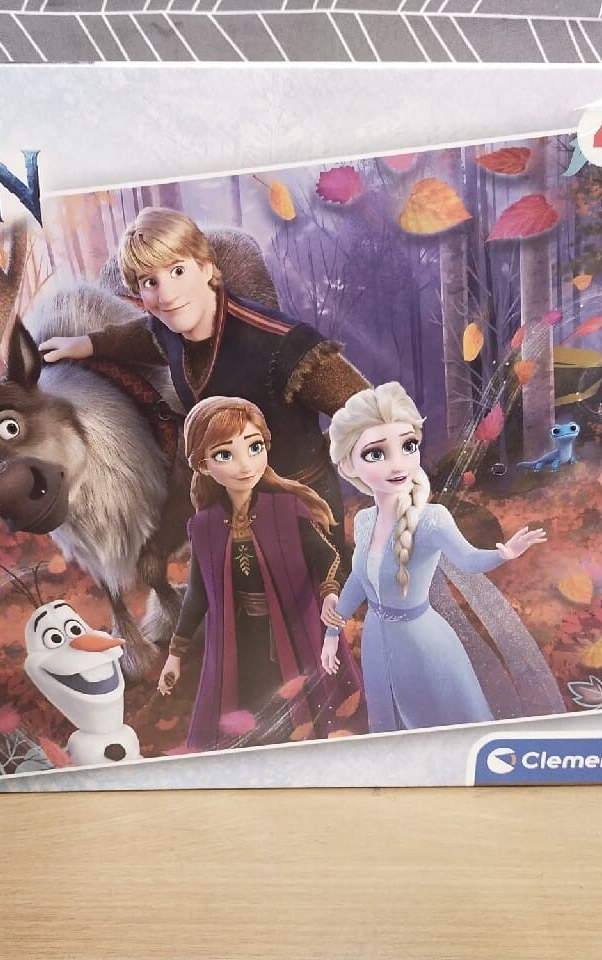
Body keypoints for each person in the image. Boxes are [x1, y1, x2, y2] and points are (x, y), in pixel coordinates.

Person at [38, 207, 368, 546]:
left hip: (300, 506)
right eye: (150, 282)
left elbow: (368, 410)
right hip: (235, 505)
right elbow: (145, 337)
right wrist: (87, 344)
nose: (166, 295)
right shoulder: (169, 330)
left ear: (207, 267)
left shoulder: (280, 345)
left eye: (178, 271)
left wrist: (326, 462)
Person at [322, 382, 546, 734]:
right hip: (377, 639)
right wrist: (333, 633)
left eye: (408, 446)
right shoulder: (364, 521)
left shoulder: (432, 519)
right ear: (348, 465)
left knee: (441, 720)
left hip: (422, 641)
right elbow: (359, 580)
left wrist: (502, 554)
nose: (398, 464)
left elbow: (467, 560)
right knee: (389, 721)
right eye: (376, 454)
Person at [159, 396, 364, 750]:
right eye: (225, 455)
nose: (245, 465)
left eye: (254, 448)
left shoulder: (287, 508)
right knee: (252, 713)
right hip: (241, 640)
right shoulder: (205, 526)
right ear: (203, 465)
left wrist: (330, 593)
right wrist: (175, 655)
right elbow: (197, 595)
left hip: (296, 630)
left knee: (303, 712)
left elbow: (326, 557)